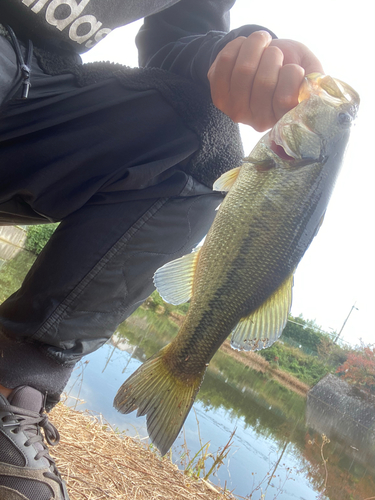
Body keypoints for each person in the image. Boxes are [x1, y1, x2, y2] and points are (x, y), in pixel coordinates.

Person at [0, 1, 323, 498]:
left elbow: (174, 48)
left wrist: (233, 53)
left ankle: (15, 380)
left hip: (32, 108)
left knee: (203, 137)